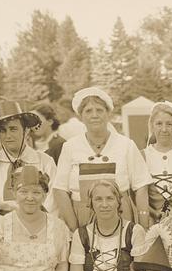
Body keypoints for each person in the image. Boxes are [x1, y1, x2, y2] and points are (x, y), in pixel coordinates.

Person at [52, 87, 153, 232]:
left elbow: (141, 186)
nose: (94, 115)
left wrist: (143, 228)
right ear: (81, 117)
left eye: (99, 110)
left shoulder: (126, 145)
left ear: (108, 114)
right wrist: (75, 230)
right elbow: (60, 189)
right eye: (88, 111)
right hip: (82, 218)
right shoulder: (70, 147)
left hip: (121, 216)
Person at [0, 102, 58, 234]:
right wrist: (3, 229)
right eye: (3, 131)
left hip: (38, 229)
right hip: (1, 230)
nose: (8, 135)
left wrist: (38, 229)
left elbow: (52, 202)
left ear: (26, 131)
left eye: (13, 129)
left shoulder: (44, 161)